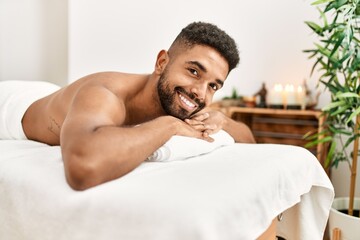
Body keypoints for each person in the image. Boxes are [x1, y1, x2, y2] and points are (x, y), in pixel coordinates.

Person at [1, 22, 255, 190]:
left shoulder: (188, 99)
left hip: (51, 94)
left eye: (213, 86)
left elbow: (250, 142)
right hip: (11, 104)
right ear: (162, 62)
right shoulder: (105, 94)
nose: (200, 92)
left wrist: (222, 118)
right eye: (193, 71)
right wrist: (168, 126)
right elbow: (82, 168)